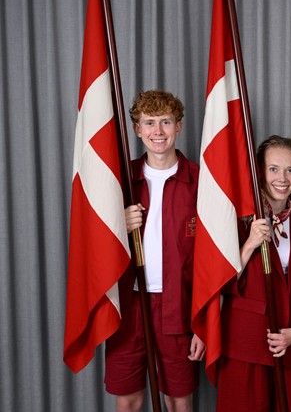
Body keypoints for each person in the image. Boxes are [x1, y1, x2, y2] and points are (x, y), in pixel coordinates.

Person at [104, 90, 205, 412]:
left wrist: (204, 324)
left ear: (179, 126)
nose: (157, 132)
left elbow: (212, 259)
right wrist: (119, 225)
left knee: (177, 400)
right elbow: (94, 243)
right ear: (137, 129)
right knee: (129, 400)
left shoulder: (200, 181)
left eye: (165, 122)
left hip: (179, 303)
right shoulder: (120, 180)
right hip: (129, 304)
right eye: (149, 123)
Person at [216, 135, 291, 412]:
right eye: (273, 169)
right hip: (246, 344)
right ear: (259, 171)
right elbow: (219, 284)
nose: (282, 178)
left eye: (290, 169)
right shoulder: (235, 218)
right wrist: (248, 244)